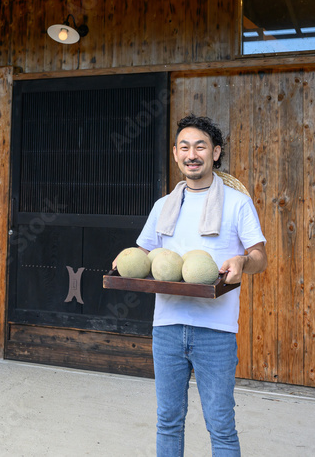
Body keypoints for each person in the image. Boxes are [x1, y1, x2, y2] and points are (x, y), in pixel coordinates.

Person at [115, 114, 267, 456]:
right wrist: (126, 260)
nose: (192, 153)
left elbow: (260, 255)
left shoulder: (237, 203)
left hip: (216, 330)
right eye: (184, 147)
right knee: (168, 421)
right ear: (175, 154)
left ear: (216, 153)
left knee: (221, 426)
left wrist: (243, 261)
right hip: (167, 327)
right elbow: (145, 253)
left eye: (200, 146)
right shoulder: (162, 206)